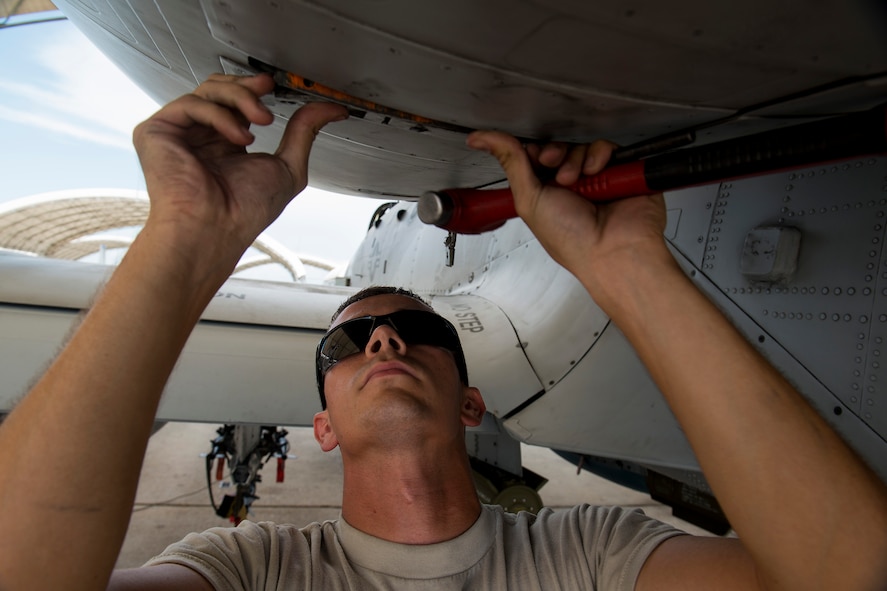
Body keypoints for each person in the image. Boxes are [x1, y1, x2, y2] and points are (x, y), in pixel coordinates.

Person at [0, 73, 885, 590]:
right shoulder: (251, 570)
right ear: (320, 425)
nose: (382, 341)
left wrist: (630, 272)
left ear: (471, 402)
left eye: (416, 330)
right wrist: (183, 239)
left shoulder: (602, 555)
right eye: (344, 345)